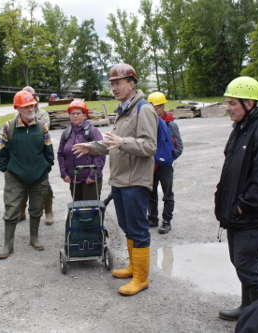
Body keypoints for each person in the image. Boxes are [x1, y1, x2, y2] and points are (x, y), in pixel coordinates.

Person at [72, 63, 157, 296]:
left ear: (132, 83)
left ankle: (141, 278)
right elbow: (112, 142)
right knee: (126, 226)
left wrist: (123, 143)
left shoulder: (143, 109)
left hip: (135, 182)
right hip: (120, 180)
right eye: (112, 84)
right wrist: (91, 147)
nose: (114, 88)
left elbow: (149, 146)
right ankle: (133, 267)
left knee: (138, 229)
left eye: (118, 83)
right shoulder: (124, 109)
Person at [215, 76, 258, 321]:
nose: (228, 108)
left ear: (249, 103)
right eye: (228, 102)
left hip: (252, 216)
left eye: (233, 103)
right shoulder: (240, 128)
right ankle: (248, 308)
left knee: (248, 266)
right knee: (239, 262)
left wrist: (243, 207)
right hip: (235, 214)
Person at [0, 90, 54, 259]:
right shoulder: (8, 126)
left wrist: (46, 167)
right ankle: (8, 244)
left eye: (32, 106)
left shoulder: (42, 127)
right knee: (12, 210)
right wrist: (6, 169)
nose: (30, 109)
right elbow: (1, 151)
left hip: (39, 177)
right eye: (26, 107)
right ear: (18, 109)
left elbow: (48, 150)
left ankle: (34, 238)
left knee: (37, 208)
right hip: (15, 177)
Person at [147, 92, 183, 234]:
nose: (155, 110)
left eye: (157, 107)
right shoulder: (147, 123)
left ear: (162, 106)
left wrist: (169, 158)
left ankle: (167, 221)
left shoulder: (170, 124)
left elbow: (178, 147)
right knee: (151, 193)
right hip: (150, 165)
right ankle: (152, 218)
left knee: (167, 193)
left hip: (165, 165)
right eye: (152, 108)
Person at [18, 86, 54, 225]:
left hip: (40, 156)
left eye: (31, 96)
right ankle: (21, 211)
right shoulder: (18, 115)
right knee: (21, 187)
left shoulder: (42, 114)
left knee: (45, 187)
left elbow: (41, 133)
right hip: (23, 157)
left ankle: (48, 211)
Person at [57, 100, 105, 200]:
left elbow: (100, 153)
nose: (75, 116)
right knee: (77, 210)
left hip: (90, 180)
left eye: (78, 113)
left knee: (91, 210)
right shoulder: (66, 133)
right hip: (73, 179)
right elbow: (60, 154)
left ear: (84, 115)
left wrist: (93, 175)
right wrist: (63, 173)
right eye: (72, 113)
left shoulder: (93, 131)